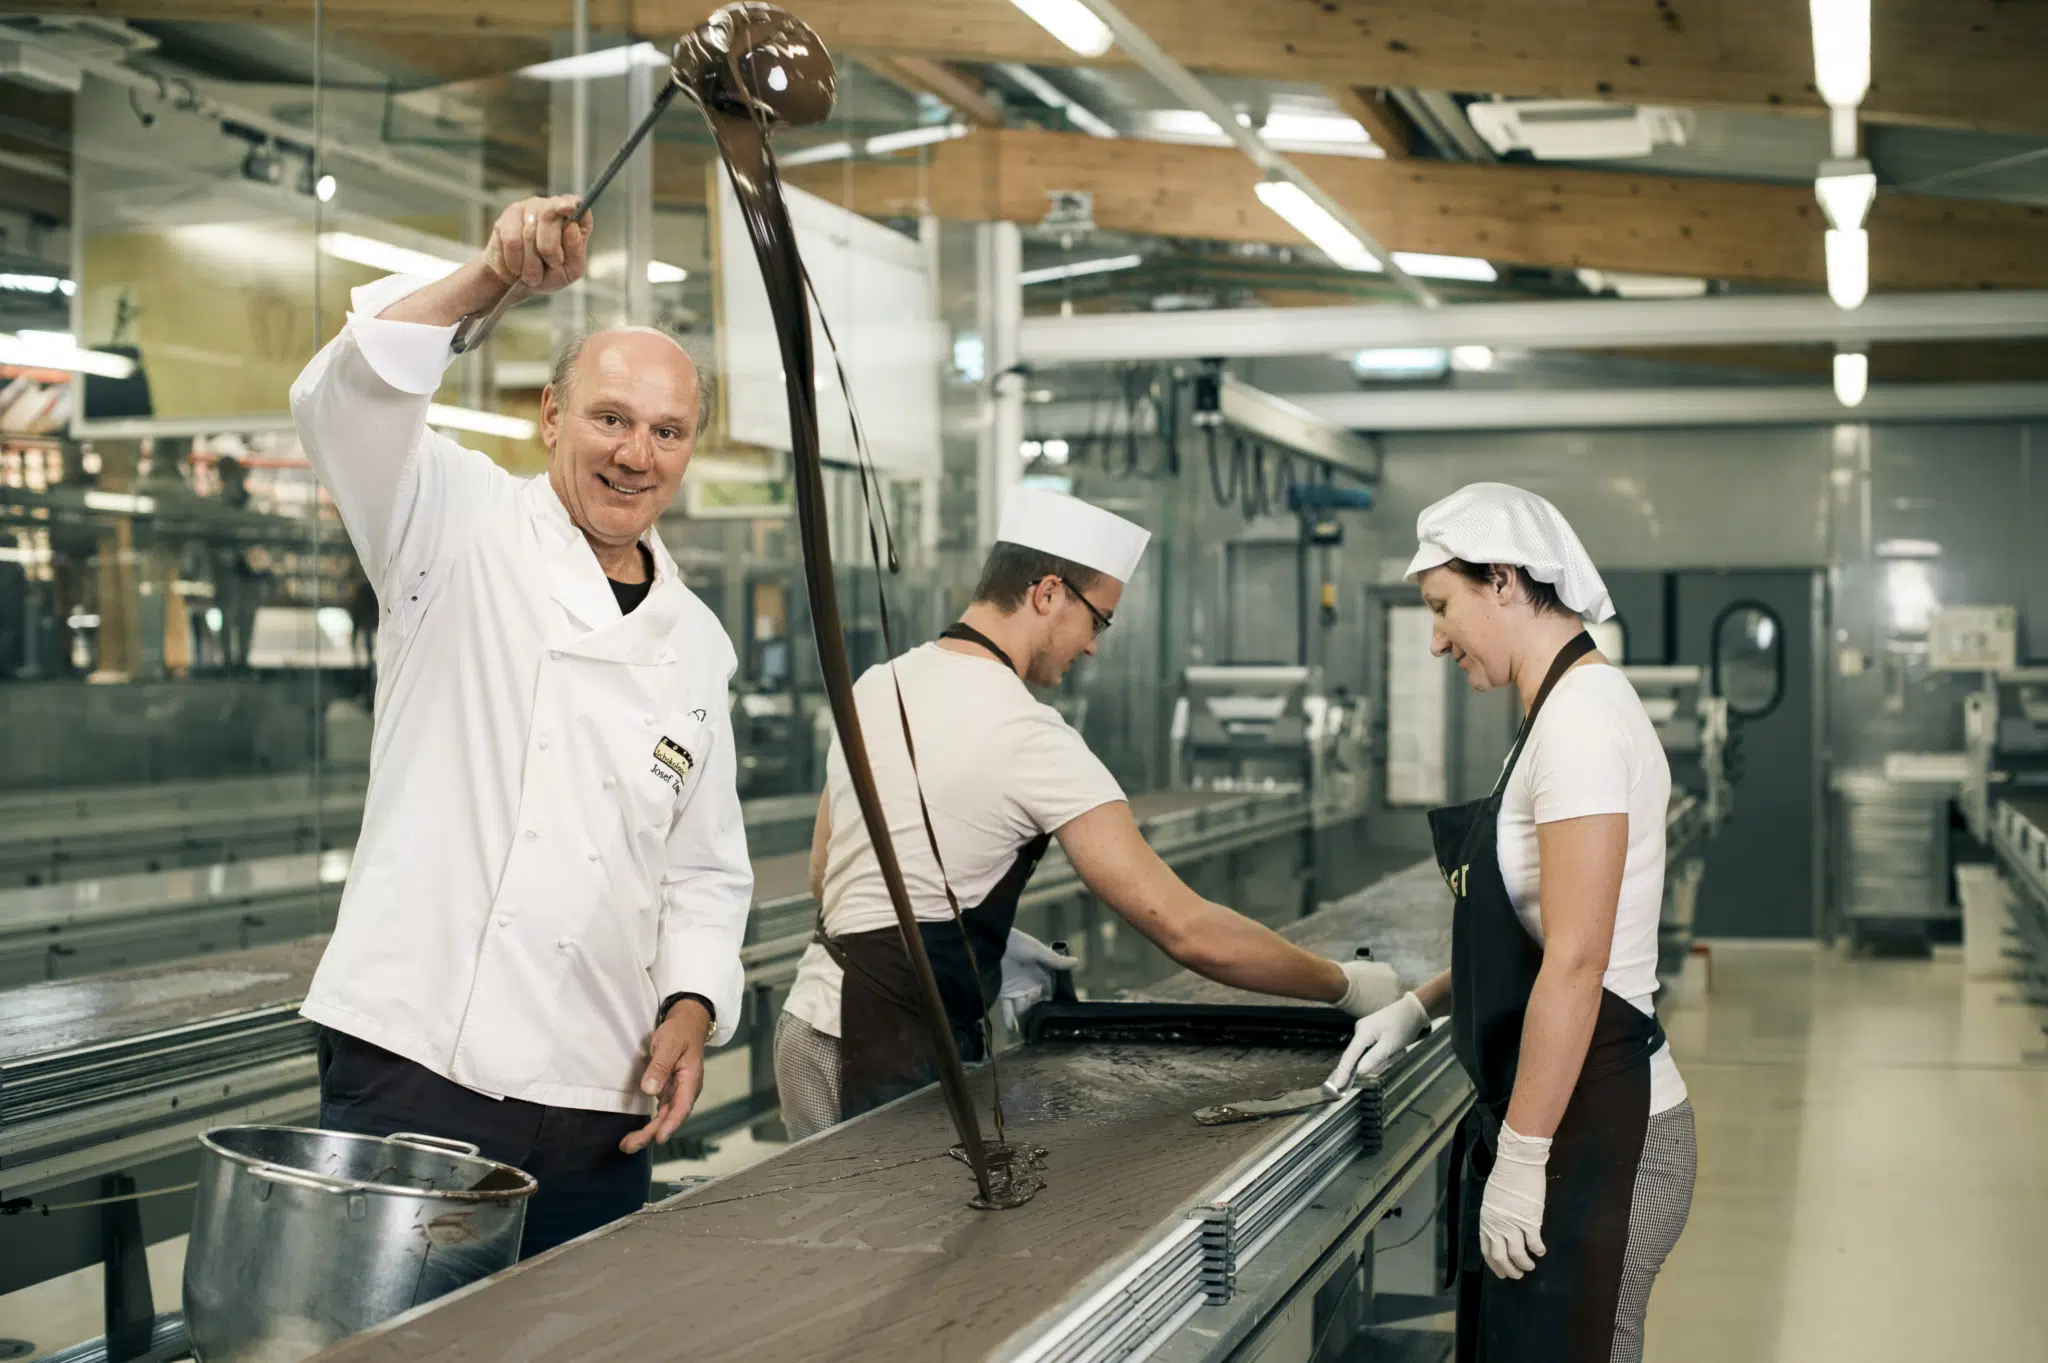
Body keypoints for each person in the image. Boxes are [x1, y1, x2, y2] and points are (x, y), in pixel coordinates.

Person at [288, 195, 753, 1258]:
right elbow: (343, 394)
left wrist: (691, 1004)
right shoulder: (450, 521)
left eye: (666, 431)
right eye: (609, 419)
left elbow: (704, 869)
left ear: (690, 448)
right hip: (417, 1064)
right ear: (551, 416)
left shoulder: (696, 641)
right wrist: (492, 274)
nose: (636, 454)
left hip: (603, 1088)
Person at [774, 486, 1401, 1138]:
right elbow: (1186, 928)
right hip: (891, 1044)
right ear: (1047, 593)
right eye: (1098, 619)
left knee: (829, 1235)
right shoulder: (1030, 734)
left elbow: (832, 870)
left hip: (809, 1030)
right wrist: (1344, 985)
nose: (1094, 645)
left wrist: (967, 939)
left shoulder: (880, 683)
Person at [1325, 483, 1694, 1363]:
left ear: (1503, 580)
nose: (1436, 637)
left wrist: (1524, 1158)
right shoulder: (1544, 719)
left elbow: (1575, 960)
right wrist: (1421, 1006)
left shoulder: (1583, 721)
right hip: (1560, 1112)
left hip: (1601, 1126)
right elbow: (1528, 940)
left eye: (1442, 606)